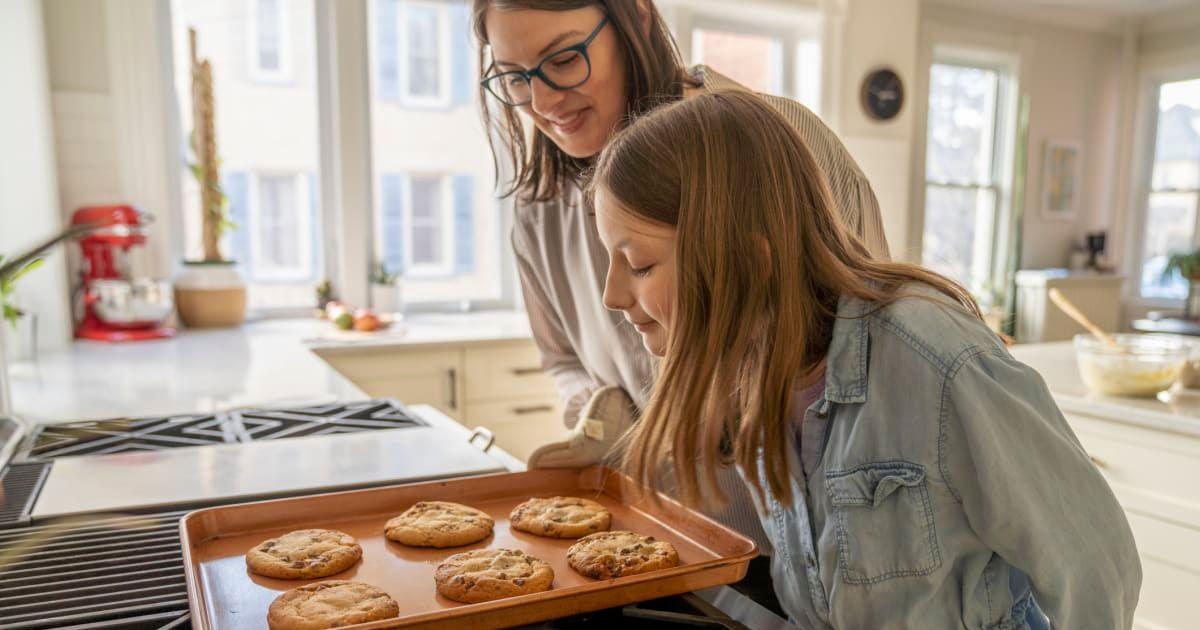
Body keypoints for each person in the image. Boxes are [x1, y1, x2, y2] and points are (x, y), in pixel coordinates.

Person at [589, 88, 1142, 629]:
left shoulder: (935, 358)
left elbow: (1096, 567)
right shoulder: (755, 375)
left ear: (750, 261)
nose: (612, 295)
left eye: (638, 264)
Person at [473, 0, 888, 550]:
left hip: (823, 557)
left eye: (564, 59)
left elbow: (875, 358)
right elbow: (563, 360)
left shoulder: (778, 146)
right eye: (514, 77)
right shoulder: (537, 210)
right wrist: (609, 419)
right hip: (662, 539)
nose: (543, 101)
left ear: (637, 19)